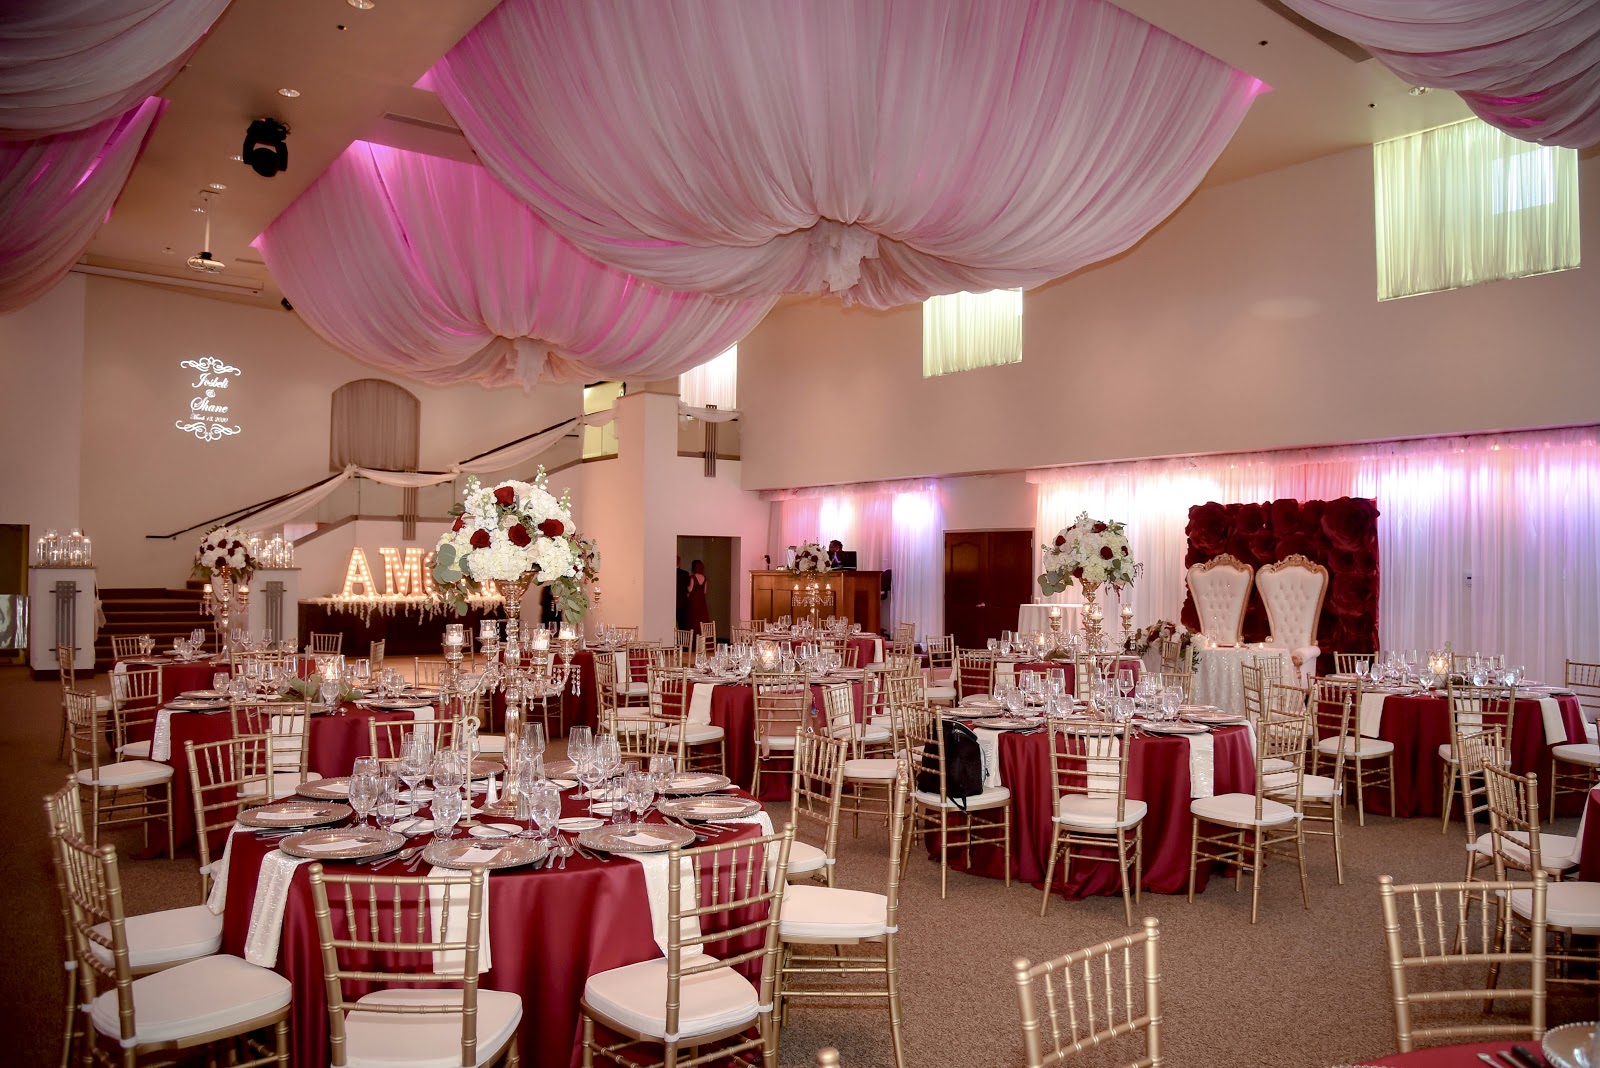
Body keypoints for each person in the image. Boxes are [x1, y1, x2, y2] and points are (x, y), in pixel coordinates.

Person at [686, 559, 712, 636]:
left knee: (693, 619)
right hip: (702, 601)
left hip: (694, 600)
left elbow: (690, 589)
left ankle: (694, 638)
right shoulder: (704, 578)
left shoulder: (693, 577)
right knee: (702, 619)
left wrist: (685, 587)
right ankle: (703, 638)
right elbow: (705, 591)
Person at [675, 555, 690, 631]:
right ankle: (683, 638)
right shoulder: (685, 574)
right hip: (682, 602)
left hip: (671, 602)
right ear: (679, 562)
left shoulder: (668, 573)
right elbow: (687, 588)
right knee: (683, 625)